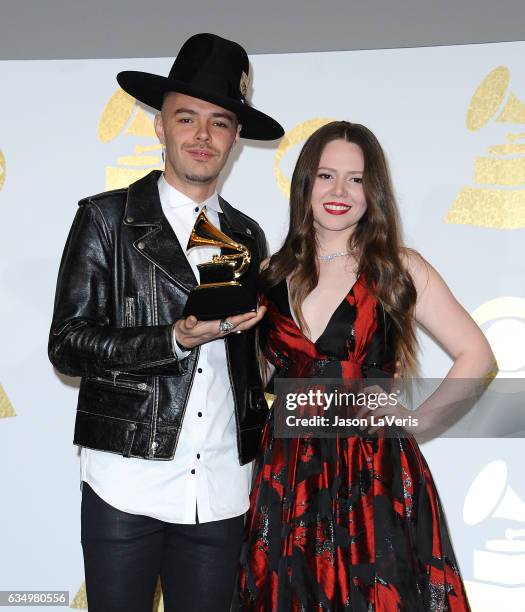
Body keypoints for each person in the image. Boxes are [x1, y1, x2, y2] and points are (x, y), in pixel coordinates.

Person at [48, 33, 283, 612]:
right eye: (187, 118)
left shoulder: (247, 235)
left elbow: (245, 363)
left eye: (220, 122)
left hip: (223, 489)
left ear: (235, 140)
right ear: (160, 127)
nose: (203, 136)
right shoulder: (107, 219)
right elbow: (68, 346)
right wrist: (173, 339)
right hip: (127, 481)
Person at [238, 121, 495, 610]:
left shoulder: (398, 267)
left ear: (372, 190)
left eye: (355, 179)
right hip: (287, 477)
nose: (339, 191)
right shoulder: (270, 274)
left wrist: (417, 422)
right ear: (304, 185)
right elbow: (261, 379)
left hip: (372, 474)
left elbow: (477, 355)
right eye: (326, 175)